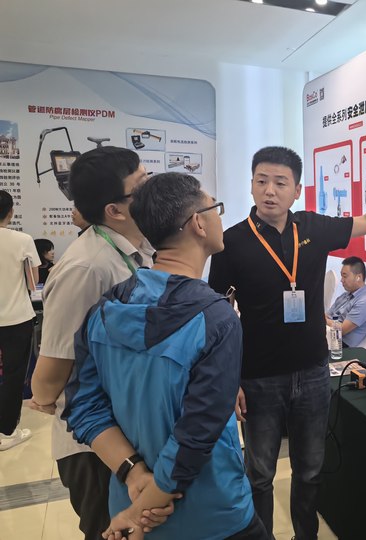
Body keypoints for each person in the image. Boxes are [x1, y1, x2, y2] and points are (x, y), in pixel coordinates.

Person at [209, 145, 366, 540]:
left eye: (280, 183)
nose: (269, 191)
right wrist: (229, 379)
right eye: (261, 181)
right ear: (251, 185)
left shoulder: (312, 228)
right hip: (258, 376)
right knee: (259, 473)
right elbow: (219, 316)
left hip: (314, 372)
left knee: (310, 470)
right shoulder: (232, 242)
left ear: (297, 190)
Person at [64, 172, 268, 540]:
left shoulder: (105, 310)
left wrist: (134, 475)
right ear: (198, 223)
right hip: (212, 512)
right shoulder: (215, 318)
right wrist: (144, 509)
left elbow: (83, 406)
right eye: (216, 208)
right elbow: (198, 431)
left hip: (130, 500)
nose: (220, 217)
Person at [30, 147, 164, 540]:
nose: (153, 190)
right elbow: (53, 370)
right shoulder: (87, 268)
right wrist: (45, 396)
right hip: (93, 447)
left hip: (130, 429)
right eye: (142, 185)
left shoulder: (138, 249)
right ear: (115, 210)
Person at [0, 189, 40, 450]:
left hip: (15, 319)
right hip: (16, 317)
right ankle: (7, 432)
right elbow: (33, 282)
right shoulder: (22, 240)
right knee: (14, 375)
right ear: (11, 212)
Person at [325, 256, 366, 348]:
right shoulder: (345, 295)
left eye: (345, 276)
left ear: (358, 277)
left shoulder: (365, 302)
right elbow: (328, 315)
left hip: (340, 345)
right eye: (341, 276)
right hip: (328, 335)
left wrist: (322, 320)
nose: (341, 280)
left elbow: (341, 330)